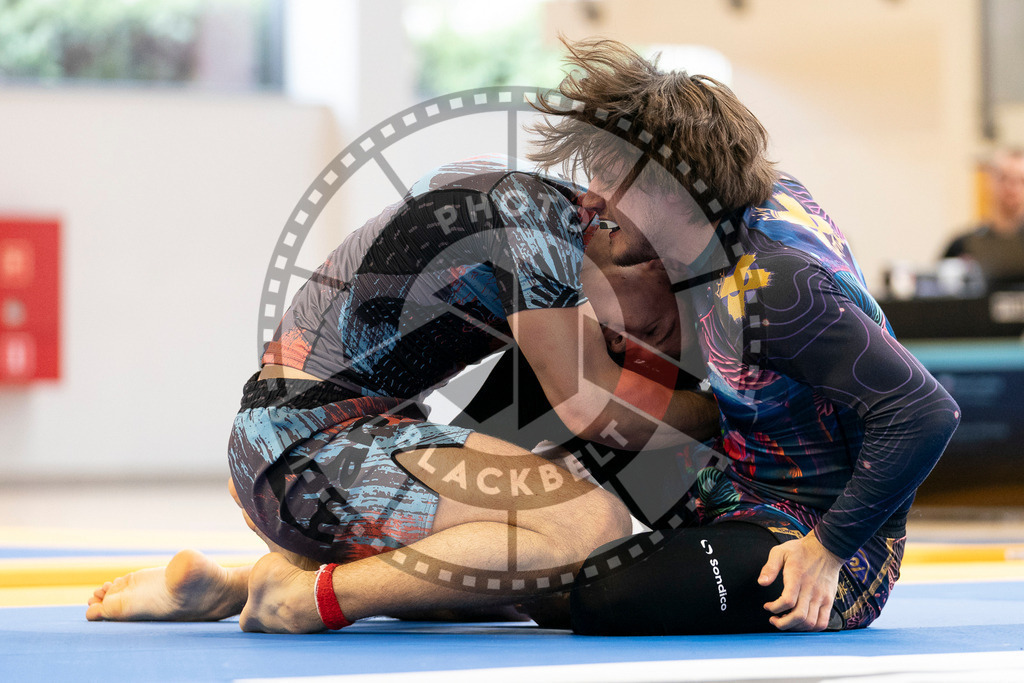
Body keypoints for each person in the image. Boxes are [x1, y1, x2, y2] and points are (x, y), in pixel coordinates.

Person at [85, 154, 719, 631]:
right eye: (655, 324)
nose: (638, 340)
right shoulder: (539, 236)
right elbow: (595, 410)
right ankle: (300, 601)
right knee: (592, 524)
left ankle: (234, 585)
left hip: (306, 451)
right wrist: (732, 409)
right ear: (619, 235)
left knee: (522, 578)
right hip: (304, 455)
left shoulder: (519, 201)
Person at [524, 38, 960, 634]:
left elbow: (925, 412)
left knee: (590, 596)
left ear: (664, 186)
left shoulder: (771, 287)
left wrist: (828, 550)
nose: (593, 200)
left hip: (813, 539)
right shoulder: (744, 212)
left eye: (606, 178)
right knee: (546, 380)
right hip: (732, 476)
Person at [942, 148, 1024, 288]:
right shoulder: (963, 245)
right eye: (1003, 178)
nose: (1011, 187)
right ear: (989, 181)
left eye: (1020, 180)